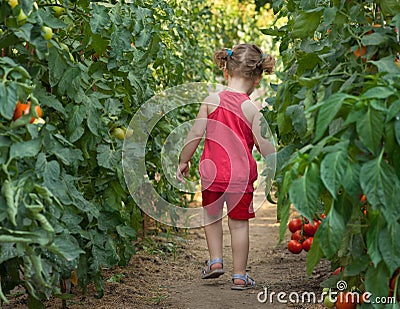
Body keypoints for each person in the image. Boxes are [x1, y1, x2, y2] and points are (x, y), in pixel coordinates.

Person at [176, 43, 276, 290]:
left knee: (211, 217)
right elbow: (266, 148)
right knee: (239, 224)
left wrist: (183, 161)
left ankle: (215, 261)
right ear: (258, 78)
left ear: (226, 71)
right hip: (241, 178)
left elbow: (195, 135)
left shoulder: (211, 100)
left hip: (212, 175)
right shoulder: (253, 108)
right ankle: (240, 275)